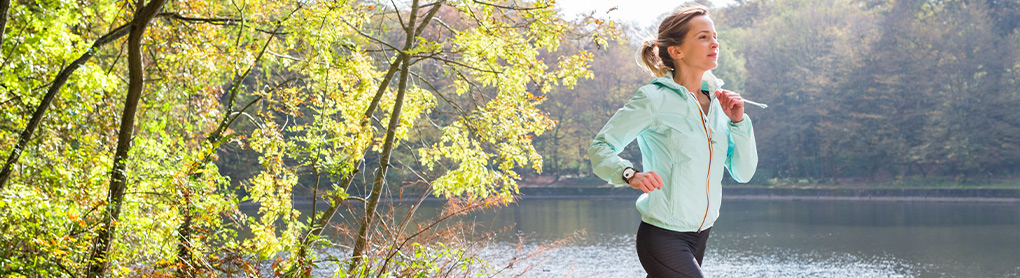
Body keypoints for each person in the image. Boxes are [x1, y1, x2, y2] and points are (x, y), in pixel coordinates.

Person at [586, 4, 758, 277]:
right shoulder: (654, 99)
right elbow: (601, 148)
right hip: (663, 235)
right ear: (676, 51)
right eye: (703, 37)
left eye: (715, 36)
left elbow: (743, 173)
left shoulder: (719, 103)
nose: (714, 42)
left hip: (701, 234)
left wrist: (738, 123)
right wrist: (628, 174)